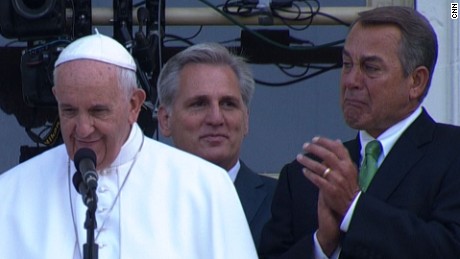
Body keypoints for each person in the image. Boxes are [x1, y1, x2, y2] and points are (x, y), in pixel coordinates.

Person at [0, 33, 258, 259]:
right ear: (57, 99)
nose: (83, 128)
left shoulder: (206, 187)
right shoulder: (11, 192)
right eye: (69, 111)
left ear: (134, 105)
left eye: (98, 111)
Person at [259, 6, 460, 259]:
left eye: (371, 68)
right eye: (346, 64)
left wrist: (354, 209)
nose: (351, 81)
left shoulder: (452, 154)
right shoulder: (305, 176)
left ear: (416, 81)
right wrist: (322, 245)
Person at [156, 42, 277, 249]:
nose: (216, 118)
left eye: (228, 104)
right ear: (165, 119)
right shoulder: (138, 202)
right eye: (199, 104)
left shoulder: (282, 203)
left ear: (246, 120)